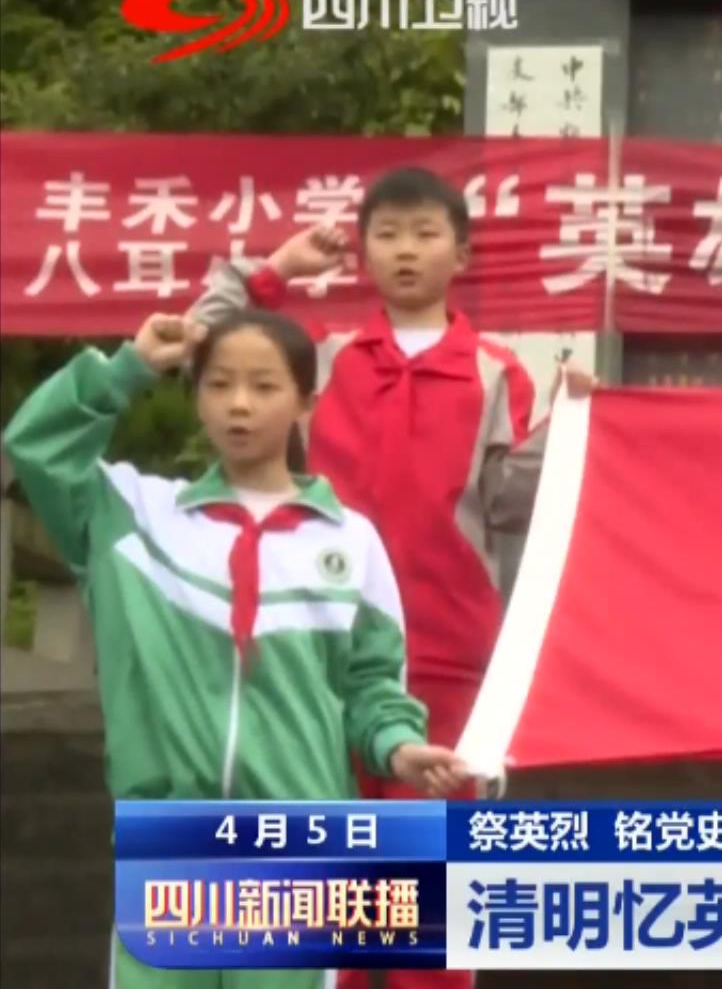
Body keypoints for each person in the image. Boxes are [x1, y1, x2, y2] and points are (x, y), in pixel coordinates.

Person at [192, 168, 590, 989]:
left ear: (462, 254)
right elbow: (204, 345)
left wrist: (572, 427)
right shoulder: (324, 359)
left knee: (427, 903)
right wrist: (279, 270)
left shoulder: (495, 373)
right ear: (364, 252)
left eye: (425, 233)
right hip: (315, 656)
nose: (406, 250)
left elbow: (508, 503)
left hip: (447, 659)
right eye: (388, 233)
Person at [2, 309, 469, 989]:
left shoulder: (351, 541)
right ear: (196, 396)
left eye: (264, 386)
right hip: (171, 845)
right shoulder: (134, 518)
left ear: (306, 402)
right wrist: (130, 366)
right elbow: (37, 443)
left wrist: (398, 747)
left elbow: (371, 686)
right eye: (219, 384)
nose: (239, 404)